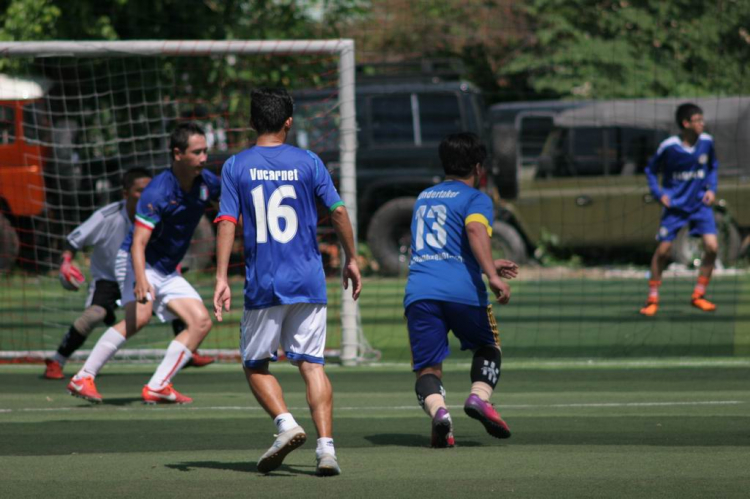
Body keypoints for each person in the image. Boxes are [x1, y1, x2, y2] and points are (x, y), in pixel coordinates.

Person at [213, 87, 361, 476]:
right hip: (309, 281)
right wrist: (352, 259)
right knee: (312, 366)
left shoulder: (236, 166)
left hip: (264, 283)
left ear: (251, 121)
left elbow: (226, 221)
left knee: (254, 364)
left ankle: (285, 424)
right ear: (288, 122)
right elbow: (339, 211)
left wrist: (220, 276)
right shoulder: (309, 161)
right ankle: (326, 450)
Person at [67, 123, 220, 404]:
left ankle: (159, 385)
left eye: (205, 151)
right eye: (197, 152)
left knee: (200, 321)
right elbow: (138, 242)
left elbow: (228, 203)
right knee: (139, 318)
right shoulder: (157, 191)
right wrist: (140, 279)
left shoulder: (207, 182)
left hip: (165, 268)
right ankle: (83, 377)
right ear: (177, 154)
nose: (203, 158)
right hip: (136, 260)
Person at [46, 169, 215, 379]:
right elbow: (73, 241)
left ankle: (186, 354)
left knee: (180, 303)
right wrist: (66, 262)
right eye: (139, 191)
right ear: (126, 194)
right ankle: (58, 361)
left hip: (142, 271)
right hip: (109, 279)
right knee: (96, 316)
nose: (145, 194)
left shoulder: (160, 210)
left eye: (148, 189)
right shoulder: (106, 217)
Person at [403, 132, 516, 448]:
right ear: (479, 168)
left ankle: (440, 414)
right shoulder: (476, 198)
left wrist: (486, 262)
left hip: (420, 292)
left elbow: (445, 246)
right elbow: (474, 228)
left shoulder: (424, 197)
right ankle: (479, 398)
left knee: (428, 368)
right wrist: (491, 274)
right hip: (462, 292)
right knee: (488, 346)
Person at [640, 103, 719, 316]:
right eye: (698, 120)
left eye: (703, 120)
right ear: (686, 124)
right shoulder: (669, 146)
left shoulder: (707, 142)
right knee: (663, 251)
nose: (702, 124)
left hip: (700, 205)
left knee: (712, 247)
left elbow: (713, 166)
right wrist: (659, 194)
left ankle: (698, 295)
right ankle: (652, 298)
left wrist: (712, 189)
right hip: (675, 206)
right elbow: (650, 170)